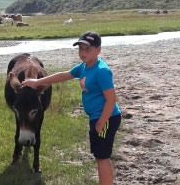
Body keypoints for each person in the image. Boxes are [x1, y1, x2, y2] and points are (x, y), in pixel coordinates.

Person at [21, 31, 121, 185]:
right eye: (80, 49)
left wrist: (101, 122)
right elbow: (64, 75)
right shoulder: (84, 67)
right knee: (99, 155)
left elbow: (111, 99)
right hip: (97, 117)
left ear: (98, 50)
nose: (83, 52)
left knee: (103, 157)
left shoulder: (102, 71)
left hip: (106, 117)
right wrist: (37, 82)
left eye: (88, 49)